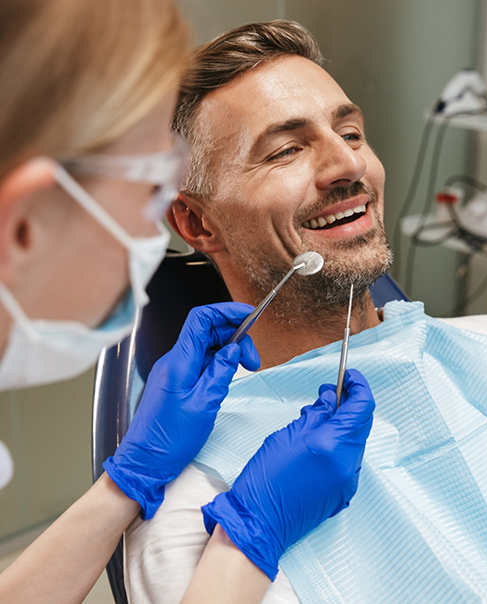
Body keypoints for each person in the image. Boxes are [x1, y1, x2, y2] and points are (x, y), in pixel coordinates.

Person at [125, 20, 487, 603]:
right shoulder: (203, 515)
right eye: (286, 150)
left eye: (350, 133)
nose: (347, 166)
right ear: (197, 222)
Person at [0, 5, 375, 604]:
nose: (349, 163)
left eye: (352, 134)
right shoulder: (193, 504)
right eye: (148, 186)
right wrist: (247, 539)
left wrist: (124, 484)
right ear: (23, 228)